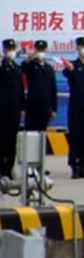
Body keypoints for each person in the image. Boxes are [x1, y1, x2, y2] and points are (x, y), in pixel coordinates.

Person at [63, 37, 84, 179]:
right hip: (76, 108)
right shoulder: (72, 66)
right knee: (75, 138)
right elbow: (66, 73)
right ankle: (74, 167)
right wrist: (70, 70)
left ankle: (83, 167)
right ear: (77, 48)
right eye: (82, 46)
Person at [0, 39, 24, 179]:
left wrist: (22, 107)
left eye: (12, 49)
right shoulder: (1, 67)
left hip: (15, 110)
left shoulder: (17, 68)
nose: (10, 51)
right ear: (4, 51)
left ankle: (9, 168)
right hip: (2, 109)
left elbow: (20, 89)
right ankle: (1, 169)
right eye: (8, 49)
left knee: (12, 141)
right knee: (2, 140)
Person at [22, 40, 57, 132]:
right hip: (32, 106)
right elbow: (22, 69)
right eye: (38, 50)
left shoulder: (49, 68)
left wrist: (54, 109)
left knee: (42, 131)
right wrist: (29, 59)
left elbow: (53, 89)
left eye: (42, 50)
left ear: (46, 50)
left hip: (45, 107)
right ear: (35, 50)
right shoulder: (31, 66)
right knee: (30, 131)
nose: (40, 52)